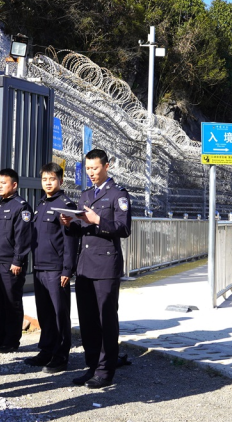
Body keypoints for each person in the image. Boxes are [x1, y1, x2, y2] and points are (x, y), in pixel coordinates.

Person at [59, 148, 132, 389]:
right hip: (86, 265)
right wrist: (71, 223)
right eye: (88, 168)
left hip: (106, 264)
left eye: (95, 168)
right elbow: (82, 230)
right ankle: (92, 366)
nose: (91, 173)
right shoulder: (86, 195)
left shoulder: (117, 194)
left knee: (105, 319)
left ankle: (105, 370)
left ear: (107, 166)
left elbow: (123, 229)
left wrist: (98, 220)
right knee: (88, 319)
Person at [24, 162, 78, 372]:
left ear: (61, 181)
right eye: (45, 179)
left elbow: (71, 240)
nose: (48, 183)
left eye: (52, 179)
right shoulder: (42, 204)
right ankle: (46, 350)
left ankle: (61, 355)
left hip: (56, 269)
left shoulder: (66, 205)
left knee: (59, 313)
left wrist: (67, 270)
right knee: (45, 312)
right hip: (40, 267)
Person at [0, 168, 33, 353]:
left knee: (11, 302)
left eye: (4, 183)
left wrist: (18, 261)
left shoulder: (21, 207)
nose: (0, 186)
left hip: (10, 264)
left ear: (14, 185)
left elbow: (23, 237)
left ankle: (11, 340)